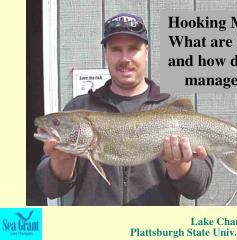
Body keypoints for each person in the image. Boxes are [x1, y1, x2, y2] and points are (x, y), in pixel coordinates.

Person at [36, 13, 214, 205]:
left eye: (133, 49)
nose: (125, 58)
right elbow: (50, 190)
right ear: (106, 54)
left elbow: (197, 188)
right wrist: (61, 161)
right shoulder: (78, 108)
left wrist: (180, 165)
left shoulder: (173, 110)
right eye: (116, 49)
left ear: (146, 52)